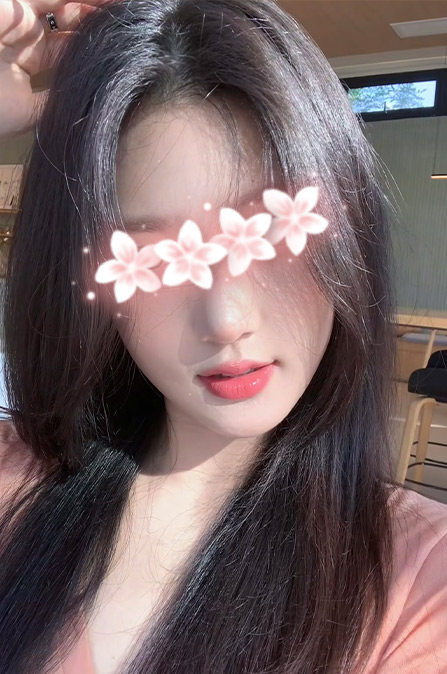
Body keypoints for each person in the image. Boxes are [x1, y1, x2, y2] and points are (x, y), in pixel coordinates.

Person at [0, 1, 446, 673]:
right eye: (153, 258)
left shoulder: (419, 581)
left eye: (269, 237)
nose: (225, 318)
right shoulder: (16, 480)